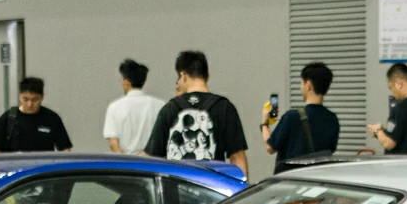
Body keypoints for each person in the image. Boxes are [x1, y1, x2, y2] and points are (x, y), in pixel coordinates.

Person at [143, 50, 248, 178]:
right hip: (211, 185)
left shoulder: (169, 109)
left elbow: (152, 157)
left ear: (183, 76)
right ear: (208, 77)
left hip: (176, 186)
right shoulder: (225, 108)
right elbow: (237, 157)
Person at [265, 62, 341, 173]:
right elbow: (330, 150)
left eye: (302, 83)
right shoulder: (332, 119)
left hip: (292, 179)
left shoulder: (292, 117)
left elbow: (270, 147)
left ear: (308, 84)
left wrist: (264, 124)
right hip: (317, 179)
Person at [0, 77, 73, 153]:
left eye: (34, 100)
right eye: (25, 99)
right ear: (20, 96)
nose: (29, 104)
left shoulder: (52, 118)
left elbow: (65, 149)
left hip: (43, 162)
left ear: (42, 97)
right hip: (15, 162)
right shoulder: (8, 119)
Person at [103, 58, 163, 154]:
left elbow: (113, 143)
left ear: (126, 81)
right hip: (153, 160)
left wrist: (125, 161)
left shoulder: (115, 107)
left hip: (127, 160)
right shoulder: (160, 105)